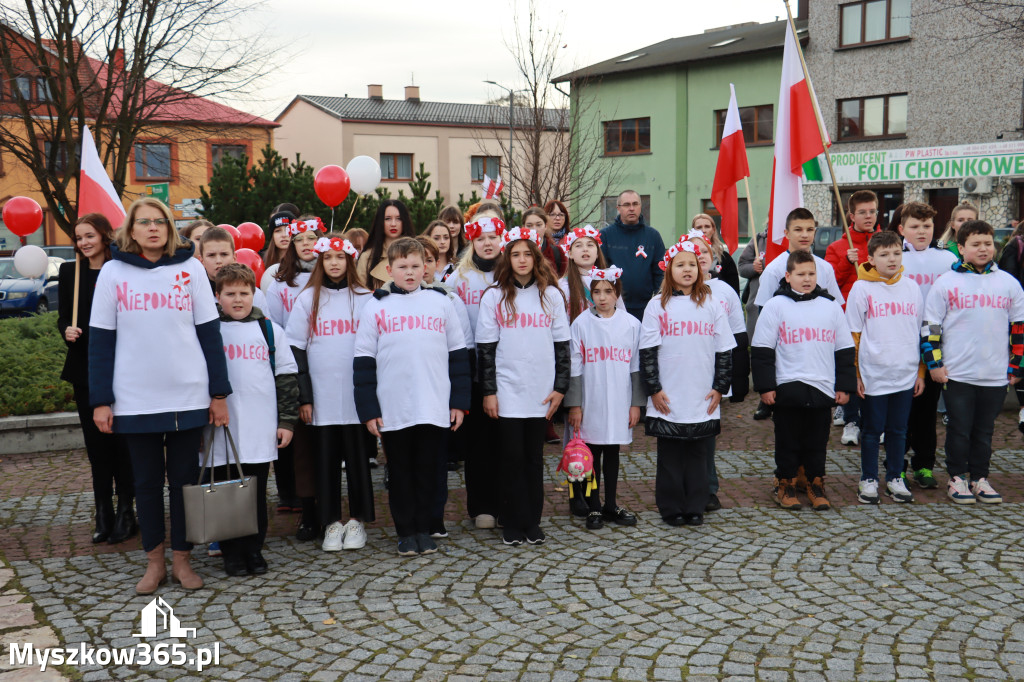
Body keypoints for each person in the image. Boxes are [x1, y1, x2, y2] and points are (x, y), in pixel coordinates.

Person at [88, 197, 231, 594]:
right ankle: (154, 563)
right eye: (144, 222)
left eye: (160, 222)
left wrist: (218, 393)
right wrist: (102, 399)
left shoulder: (191, 269)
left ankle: (183, 561)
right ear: (130, 230)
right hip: (134, 399)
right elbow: (100, 342)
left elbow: (209, 334)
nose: (152, 228)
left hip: (188, 397)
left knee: (184, 483)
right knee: (146, 483)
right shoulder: (113, 273)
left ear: (170, 228)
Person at [353, 237, 471, 556]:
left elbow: (459, 356)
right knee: (401, 472)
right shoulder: (376, 306)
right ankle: (406, 531)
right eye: (402, 267)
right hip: (394, 407)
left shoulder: (441, 303)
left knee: (430, 471)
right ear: (389, 269)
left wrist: (459, 402)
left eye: (415, 266)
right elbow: (363, 362)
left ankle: (426, 526)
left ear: (426, 268)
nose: (409, 272)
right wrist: (369, 410)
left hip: (434, 404)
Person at [476, 227, 571, 546]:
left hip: (542, 392)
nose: (521, 260)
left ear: (536, 257)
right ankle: (512, 521)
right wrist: (489, 391)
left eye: (527, 254)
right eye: (514, 254)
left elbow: (562, 348)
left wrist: (560, 389)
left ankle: (532, 520)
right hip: (506, 391)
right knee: (510, 457)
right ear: (507, 257)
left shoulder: (552, 295)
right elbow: (485, 350)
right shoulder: (494, 296)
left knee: (533, 457)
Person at [922, 219, 1024, 505]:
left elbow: (1020, 328)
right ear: (962, 248)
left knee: (984, 430)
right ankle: (957, 477)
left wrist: (1016, 367)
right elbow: (931, 326)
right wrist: (934, 364)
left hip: (995, 374)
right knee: (959, 428)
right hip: (957, 373)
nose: (983, 249)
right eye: (976, 244)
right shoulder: (946, 283)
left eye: (988, 244)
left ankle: (980, 477)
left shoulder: (1008, 283)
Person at [285, 235, 374, 553]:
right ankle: (331, 521)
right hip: (321, 398)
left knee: (359, 461)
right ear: (320, 262)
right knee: (325, 462)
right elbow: (295, 351)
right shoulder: (308, 299)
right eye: (328, 257)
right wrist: (304, 397)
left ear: (349, 260)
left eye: (340, 257)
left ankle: (357, 521)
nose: (334, 263)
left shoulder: (365, 297)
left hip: (356, 399)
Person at [639, 235, 734, 527]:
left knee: (697, 455)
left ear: (701, 268)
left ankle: (696, 505)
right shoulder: (657, 306)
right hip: (669, 394)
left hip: (702, 394)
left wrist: (720, 387)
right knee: (670, 456)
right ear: (669, 270)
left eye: (692, 263)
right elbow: (648, 352)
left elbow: (724, 350)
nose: (687, 269)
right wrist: (654, 389)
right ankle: (671, 508)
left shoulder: (713, 304)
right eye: (680, 264)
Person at [211, 264, 298, 575]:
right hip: (221, 429)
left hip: (259, 426)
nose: (237, 300)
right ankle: (231, 552)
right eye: (230, 294)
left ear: (254, 295)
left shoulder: (270, 331)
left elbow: (286, 379)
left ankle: (254, 549)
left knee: (255, 491)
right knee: (225, 492)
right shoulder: (210, 332)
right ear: (217, 296)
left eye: (244, 293)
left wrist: (286, 422)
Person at [752, 250, 856, 512]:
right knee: (787, 440)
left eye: (811, 274)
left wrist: (844, 386)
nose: (807, 279)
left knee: (817, 441)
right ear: (788, 276)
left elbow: (844, 349)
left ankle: (814, 482)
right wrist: (766, 387)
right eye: (800, 274)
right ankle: (785, 482)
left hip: (822, 385)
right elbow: (762, 349)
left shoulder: (830, 306)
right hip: (788, 384)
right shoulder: (776, 306)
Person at [58, 213, 136, 546]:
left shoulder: (122, 270)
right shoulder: (69, 272)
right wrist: (66, 330)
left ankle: (126, 512)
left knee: (124, 446)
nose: (84, 242)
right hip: (84, 369)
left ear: (105, 235)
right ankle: (102, 510)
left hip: (123, 368)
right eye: (79, 238)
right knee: (97, 447)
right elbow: (63, 316)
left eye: (89, 235)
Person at [845, 231, 923, 505]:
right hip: (873, 373)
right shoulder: (862, 288)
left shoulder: (912, 287)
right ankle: (868, 479)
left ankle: (894, 477)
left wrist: (921, 371)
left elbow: (920, 330)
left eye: (897, 253)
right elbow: (853, 333)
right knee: (871, 430)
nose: (892, 259)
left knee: (898, 430)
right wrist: (855, 374)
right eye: (884, 254)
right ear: (871, 259)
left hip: (905, 372)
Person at [564, 266, 643, 530]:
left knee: (612, 451)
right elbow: (574, 366)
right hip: (591, 399)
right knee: (592, 452)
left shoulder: (631, 324)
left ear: (616, 293)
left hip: (619, 399)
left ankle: (610, 504)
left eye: (608, 291)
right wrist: (575, 405)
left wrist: (635, 404)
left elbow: (635, 366)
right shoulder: (581, 324)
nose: (602, 297)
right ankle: (593, 505)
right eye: (596, 292)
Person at [265, 215, 324, 538]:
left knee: (327, 443)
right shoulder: (279, 281)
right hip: (293, 368)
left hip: (327, 366)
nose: (305, 244)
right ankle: (306, 509)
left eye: (311, 238)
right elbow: (274, 328)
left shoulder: (328, 274)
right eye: (299, 239)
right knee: (300, 445)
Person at [890, 202, 957, 488]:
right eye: (915, 226)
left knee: (928, 409)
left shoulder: (945, 260)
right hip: (900, 339)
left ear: (935, 227)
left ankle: (924, 465)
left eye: (927, 226)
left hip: (932, 341)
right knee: (900, 409)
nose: (921, 232)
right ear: (902, 229)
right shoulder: (894, 257)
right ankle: (897, 464)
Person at [449, 211, 504, 528]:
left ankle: (504, 501)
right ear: (472, 241)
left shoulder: (509, 275)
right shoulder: (458, 278)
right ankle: (481, 505)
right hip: (471, 368)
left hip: (505, 369)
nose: (487, 243)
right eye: (480, 238)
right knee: (477, 443)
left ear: (501, 240)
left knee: (502, 440)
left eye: (492, 237)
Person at [417, 235, 474, 532]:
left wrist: (458, 400)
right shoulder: (388, 299)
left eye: (429, 260)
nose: (423, 267)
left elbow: (460, 352)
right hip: (407, 396)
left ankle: (435, 516)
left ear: (437, 264)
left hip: (439, 395)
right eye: (417, 260)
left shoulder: (450, 299)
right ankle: (412, 517)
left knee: (437, 460)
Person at [692, 231, 749, 513]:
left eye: (703, 250)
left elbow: (737, 338)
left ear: (712, 256)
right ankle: (684, 486)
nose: (699, 255)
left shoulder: (725, 291)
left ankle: (708, 488)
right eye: (692, 251)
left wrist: (734, 380)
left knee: (708, 434)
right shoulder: (669, 292)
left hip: (715, 375)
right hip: (684, 374)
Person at [825, 190, 880, 447]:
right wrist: (847, 263)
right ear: (851, 215)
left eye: (872, 211)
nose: (868, 216)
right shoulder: (837, 247)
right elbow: (829, 284)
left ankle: (873, 421)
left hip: (879, 317)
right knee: (851, 367)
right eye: (863, 212)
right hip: (848, 317)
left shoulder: (885, 243)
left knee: (874, 368)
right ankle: (850, 419)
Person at [754, 209, 845, 308]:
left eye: (809, 230)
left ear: (815, 232)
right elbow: (764, 310)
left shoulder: (826, 267)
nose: (805, 235)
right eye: (798, 230)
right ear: (787, 233)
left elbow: (835, 305)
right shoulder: (773, 270)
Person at [599, 190, 666, 320]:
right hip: (614, 308)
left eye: (635, 204)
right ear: (618, 208)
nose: (631, 208)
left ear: (641, 206)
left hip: (646, 308)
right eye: (626, 204)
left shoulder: (653, 236)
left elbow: (660, 272)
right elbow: (601, 271)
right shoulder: (606, 236)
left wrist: (659, 300)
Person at [738, 227, 770, 419]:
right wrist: (754, 268)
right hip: (758, 305)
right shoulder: (758, 240)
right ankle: (764, 399)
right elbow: (742, 266)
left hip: (783, 305)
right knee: (760, 353)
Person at [198, 226, 269, 311]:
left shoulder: (254, 294)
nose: (218, 261)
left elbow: (265, 323)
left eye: (224, 254)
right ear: (201, 260)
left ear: (234, 257)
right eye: (211, 255)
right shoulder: (196, 295)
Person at [357, 199, 416, 289]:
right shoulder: (367, 257)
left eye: (398, 219)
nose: (393, 224)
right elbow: (360, 291)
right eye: (388, 219)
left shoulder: (416, 253)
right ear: (380, 222)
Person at [691, 213, 740, 294]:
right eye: (699, 227)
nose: (703, 230)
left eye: (707, 226)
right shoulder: (686, 254)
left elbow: (734, 290)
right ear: (693, 230)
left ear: (713, 229)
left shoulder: (724, 257)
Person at [522, 206, 566, 277]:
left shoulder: (557, 252)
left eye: (539, 225)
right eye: (529, 225)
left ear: (545, 226)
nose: (534, 229)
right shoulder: (516, 252)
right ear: (523, 227)